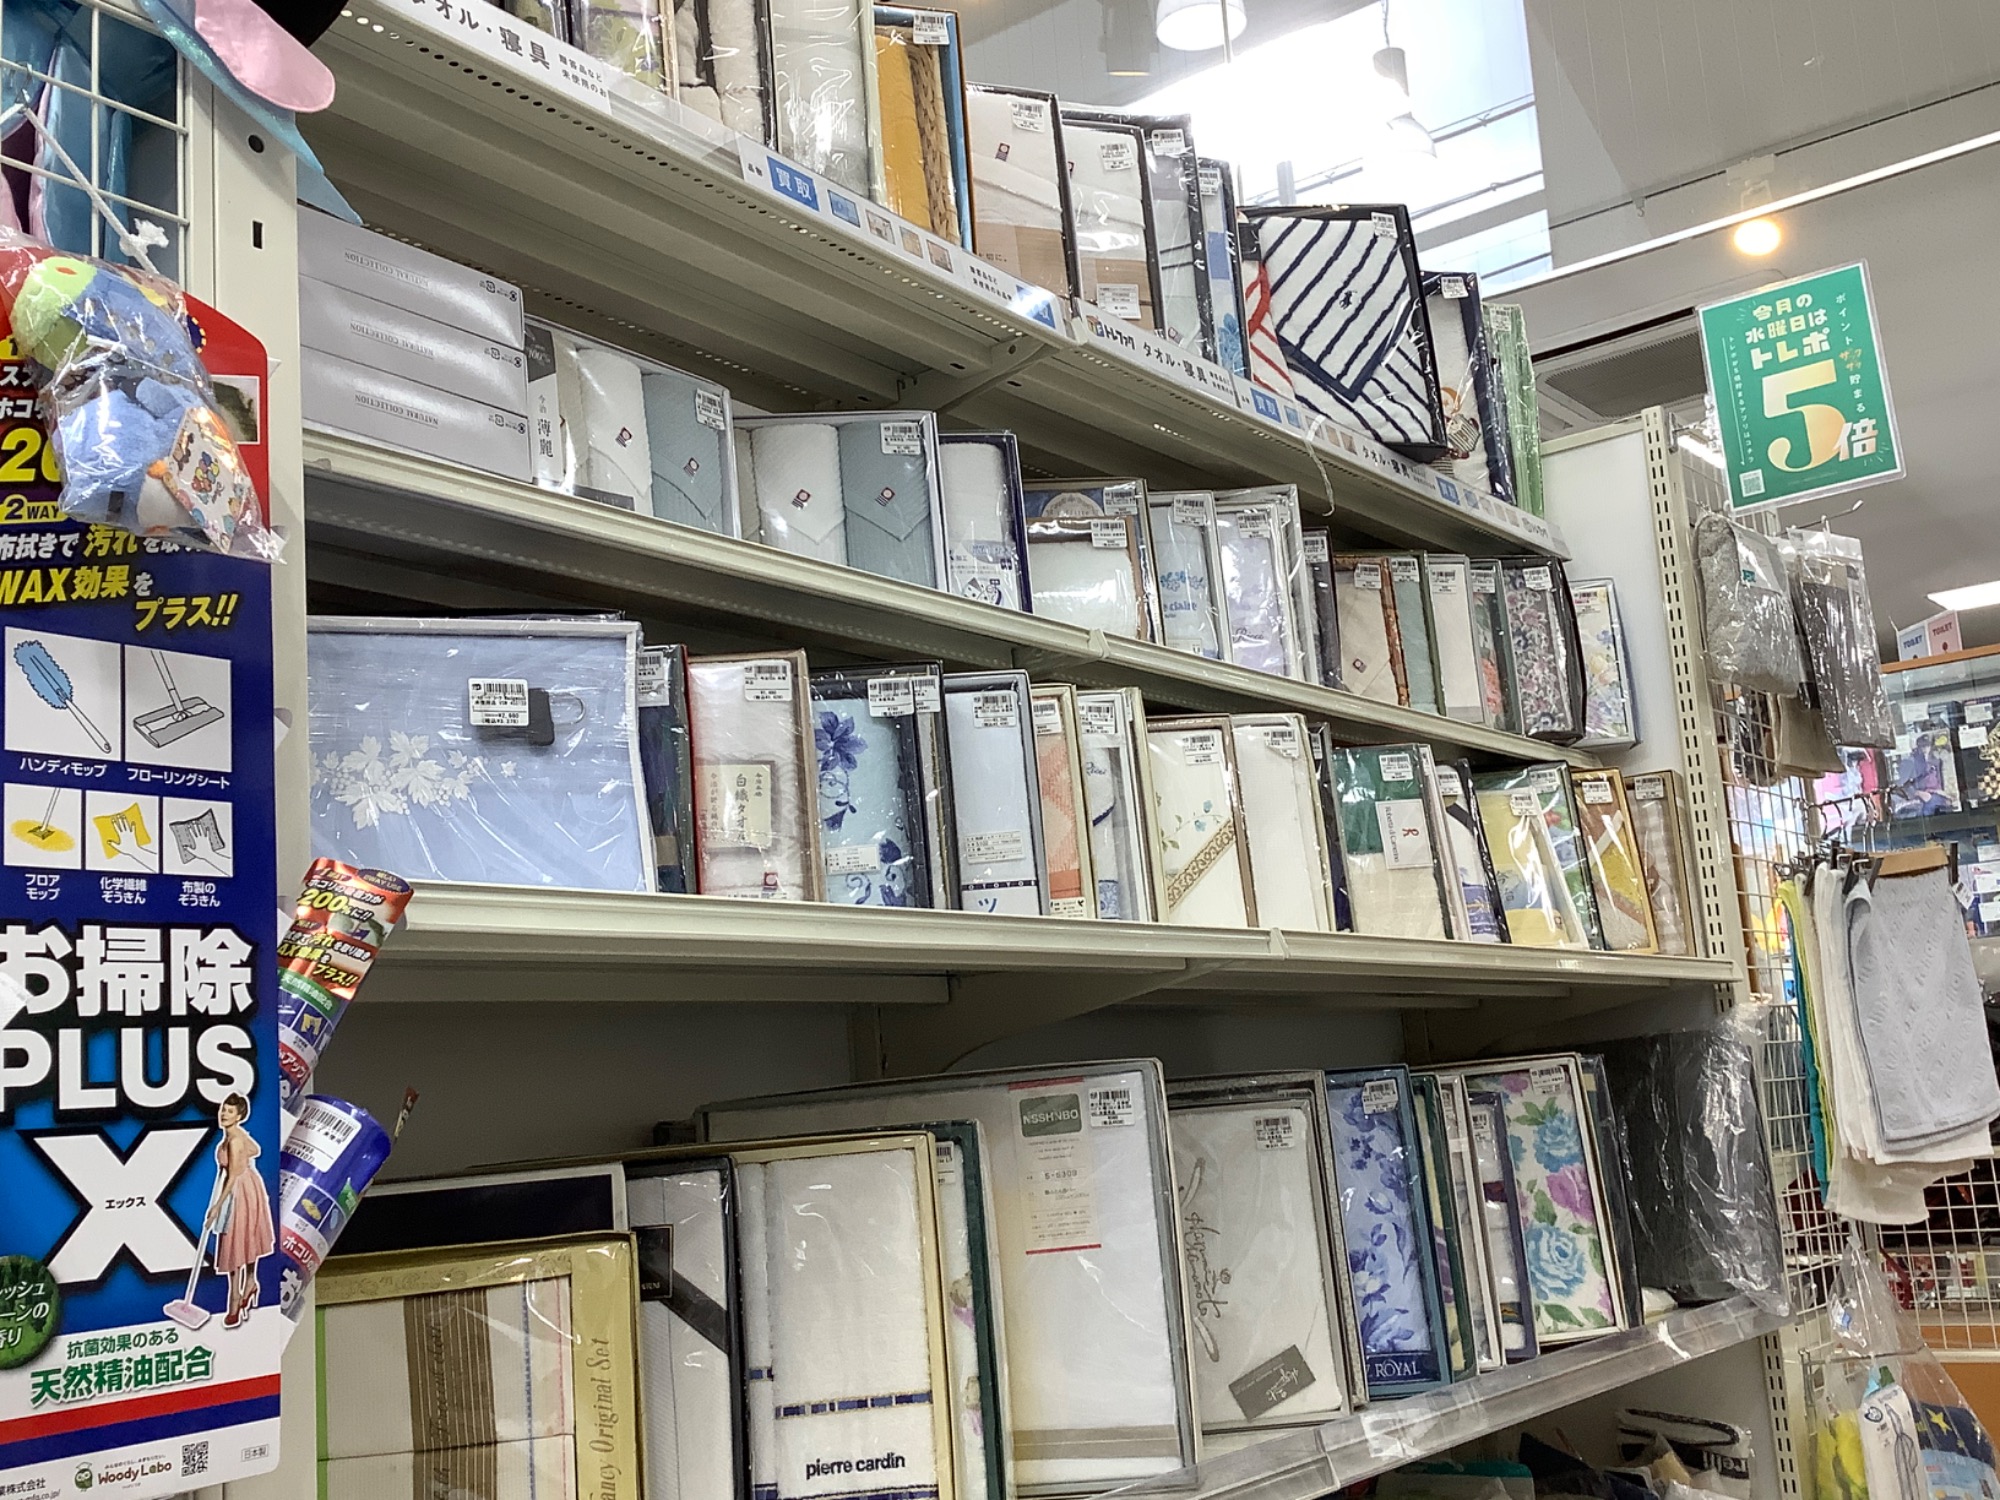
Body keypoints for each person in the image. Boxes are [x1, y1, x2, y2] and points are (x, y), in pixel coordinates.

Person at [204, 1093, 274, 1329]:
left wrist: (216, 1206)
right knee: (243, 1238)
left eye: (230, 1111)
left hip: (239, 1191)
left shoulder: (234, 1141)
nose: (224, 1114)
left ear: (239, 1116)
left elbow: (233, 1175)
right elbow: (255, 1150)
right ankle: (250, 1282)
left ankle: (236, 1298)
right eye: (223, 1109)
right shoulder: (234, 1137)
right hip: (247, 1185)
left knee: (236, 1241)